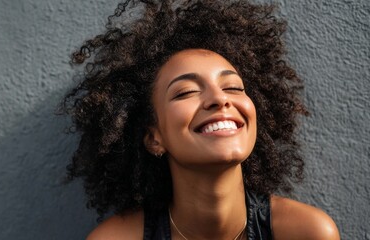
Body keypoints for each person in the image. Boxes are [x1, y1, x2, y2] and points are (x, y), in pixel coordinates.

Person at [62, 0, 340, 239]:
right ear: (153, 137)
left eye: (233, 87)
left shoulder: (307, 232)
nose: (220, 100)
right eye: (187, 92)